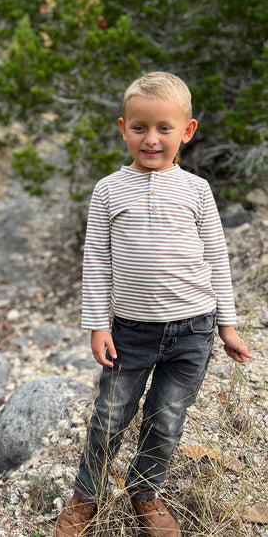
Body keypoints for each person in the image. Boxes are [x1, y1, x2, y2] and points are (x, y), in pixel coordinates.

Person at [55, 72, 252, 537]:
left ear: (187, 131)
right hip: (131, 332)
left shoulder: (197, 190)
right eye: (140, 128)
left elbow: (217, 259)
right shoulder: (108, 190)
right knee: (110, 417)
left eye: (164, 128)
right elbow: (97, 260)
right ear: (123, 129)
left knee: (166, 419)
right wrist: (97, 325)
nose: (151, 139)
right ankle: (87, 497)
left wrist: (227, 325)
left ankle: (145, 492)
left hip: (194, 330)